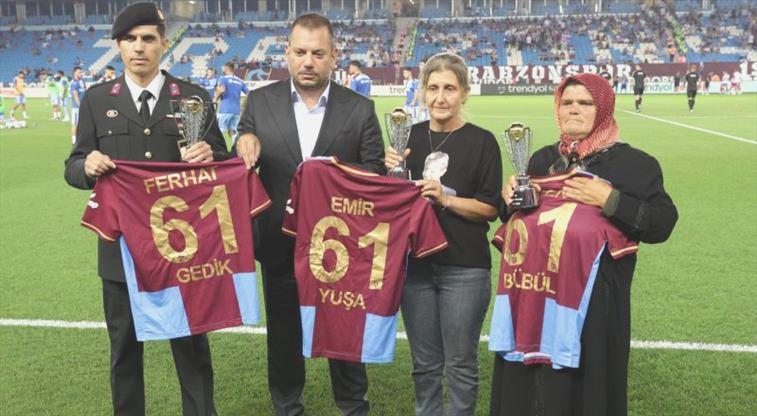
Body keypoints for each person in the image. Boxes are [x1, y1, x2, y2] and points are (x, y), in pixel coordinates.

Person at [63, 3, 229, 415]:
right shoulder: (97, 101)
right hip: (121, 251)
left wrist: (211, 156)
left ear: (163, 44)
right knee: (124, 353)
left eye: (148, 39)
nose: (139, 47)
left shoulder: (192, 98)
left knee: (192, 352)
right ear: (119, 46)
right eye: (130, 39)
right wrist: (86, 166)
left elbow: (224, 165)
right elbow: (73, 166)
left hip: (182, 251)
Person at [491, 73, 677, 416]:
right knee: (529, 387)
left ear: (603, 109)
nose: (573, 109)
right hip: (534, 295)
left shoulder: (635, 164)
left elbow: (662, 223)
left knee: (584, 390)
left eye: (585, 103)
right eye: (566, 102)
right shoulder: (541, 160)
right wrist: (508, 198)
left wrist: (610, 199)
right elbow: (514, 217)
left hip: (593, 306)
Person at [234, 13, 384, 416]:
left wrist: (335, 175)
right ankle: (287, 406)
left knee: (344, 332)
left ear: (334, 56)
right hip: (279, 243)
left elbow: (375, 172)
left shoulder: (360, 109)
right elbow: (242, 156)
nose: (308, 62)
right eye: (300, 52)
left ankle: (353, 406)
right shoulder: (260, 102)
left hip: (340, 248)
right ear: (287, 52)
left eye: (318, 54)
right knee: (283, 336)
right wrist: (243, 139)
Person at [384, 52, 502, 416]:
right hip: (415, 267)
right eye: (432, 88)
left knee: (461, 363)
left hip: (465, 267)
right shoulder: (406, 139)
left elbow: (491, 208)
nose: (440, 97)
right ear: (422, 91)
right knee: (424, 365)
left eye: (449, 88)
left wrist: (445, 199)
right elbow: (388, 204)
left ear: (464, 92)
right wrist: (387, 174)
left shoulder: (482, 141)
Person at [215, 61, 249, 142]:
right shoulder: (240, 80)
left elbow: (222, 90)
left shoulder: (223, 78)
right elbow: (249, 94)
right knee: (233, 130)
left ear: (226, 68)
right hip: (236, 110)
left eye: (223, 67)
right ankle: (234, 146)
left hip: (225, 109)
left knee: (221, 130)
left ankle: (223, 147)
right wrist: (243, 105)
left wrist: (215, 98)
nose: (222, 69)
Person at [70, 66, 86, 144]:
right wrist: (80, 106)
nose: (81, 74)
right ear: (75, 73)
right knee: (75, 123)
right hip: (76, 107)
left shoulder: (82, 81)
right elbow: (75, 96)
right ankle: (74, 140)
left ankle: (80, 138)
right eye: (80, 72)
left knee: (82, 123)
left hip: (83, 106)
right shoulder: (74, 83)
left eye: (81, 72)